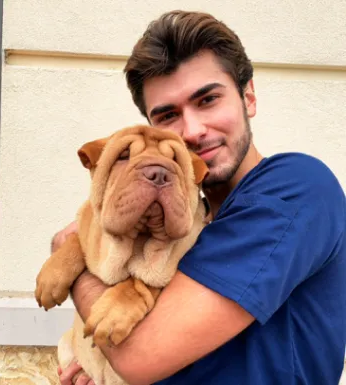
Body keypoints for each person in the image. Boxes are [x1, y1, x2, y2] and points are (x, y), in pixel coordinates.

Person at [56, 10, 346, 385]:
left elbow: (140, 356)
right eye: (168, 116)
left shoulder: (294, 189)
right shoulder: (179, 226)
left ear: (249, 97)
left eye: (208, 100)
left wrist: (72, 255)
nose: (192, 131)